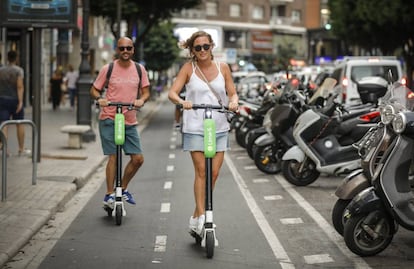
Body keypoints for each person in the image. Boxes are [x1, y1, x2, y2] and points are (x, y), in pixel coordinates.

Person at [168, 30, 239, 235]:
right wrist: (183, 102)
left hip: (219, 126)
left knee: (214, 174)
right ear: (192, 50)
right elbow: (172, 93)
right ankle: (203, 217)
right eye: (197, 47)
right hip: (195, 128)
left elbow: (232, 92)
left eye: (205, 46)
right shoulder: (188, 69)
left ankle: (196, 214)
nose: (202, 50)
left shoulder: (223, 67)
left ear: (211, 47)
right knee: (201, 172)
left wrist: (233, 102)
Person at [90, 36, 150, 207]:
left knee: (138, 159)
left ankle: (122, 188)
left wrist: (142, 100)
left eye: (128, 48)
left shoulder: (140, 69)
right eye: (122, 48)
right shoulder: (107, 69)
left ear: (133, 50)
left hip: (129, 120)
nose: (125, 51)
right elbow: (94, 89)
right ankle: (109, 195)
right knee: (114, 157)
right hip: (109, 118)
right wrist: (100, 98)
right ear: (117, 50)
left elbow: (146, 92)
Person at [0, 50, 27, 156]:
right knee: (19, 123)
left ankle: (5, 149)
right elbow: (19, 86)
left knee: (4, 124)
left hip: (2, 99)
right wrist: (20, 101)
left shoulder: (1, 70)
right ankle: (21, 148)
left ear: (7, 58)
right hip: (15, 100)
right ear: (16, 58)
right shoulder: (19, 71)